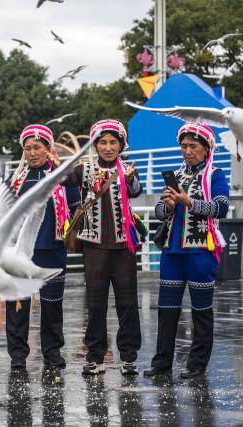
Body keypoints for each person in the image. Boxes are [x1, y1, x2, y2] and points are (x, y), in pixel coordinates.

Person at [144, 123, 229, 379]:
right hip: (172, 252)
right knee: (166, 310)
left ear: (206, 148)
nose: (188, 151)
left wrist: (188, 201)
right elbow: (160, 213)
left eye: (193, 146)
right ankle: (162, 364)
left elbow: (221, 208)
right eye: (184, 146)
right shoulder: (177, 176)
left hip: (201, 251)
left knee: (201, 311)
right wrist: (169, 205)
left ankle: (197, 365)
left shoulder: (215, 175)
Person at [60, 119, 144, 376]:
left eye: (113, 142)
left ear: (121, 145)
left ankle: (128, 357)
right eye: (103, 142)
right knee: (95, 306)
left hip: (124, 247)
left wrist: (129, 180)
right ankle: (95, 356)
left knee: (127, 304)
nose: (108, 147)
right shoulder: (84, 169)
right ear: (95, 145)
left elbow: (136, 191)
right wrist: (59, 162)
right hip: (94, 246)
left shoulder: (128, 170)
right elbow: (62, 179)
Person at [5, 124, 80, 370]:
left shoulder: (63, 177)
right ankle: (18, 355)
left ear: (49, 149)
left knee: (51, 306)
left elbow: (76, 204)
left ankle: (52, 352)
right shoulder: (14, 182)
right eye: (27, 148)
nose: (32, 152)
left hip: (52, 249)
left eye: (37, 147)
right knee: (18, 305)